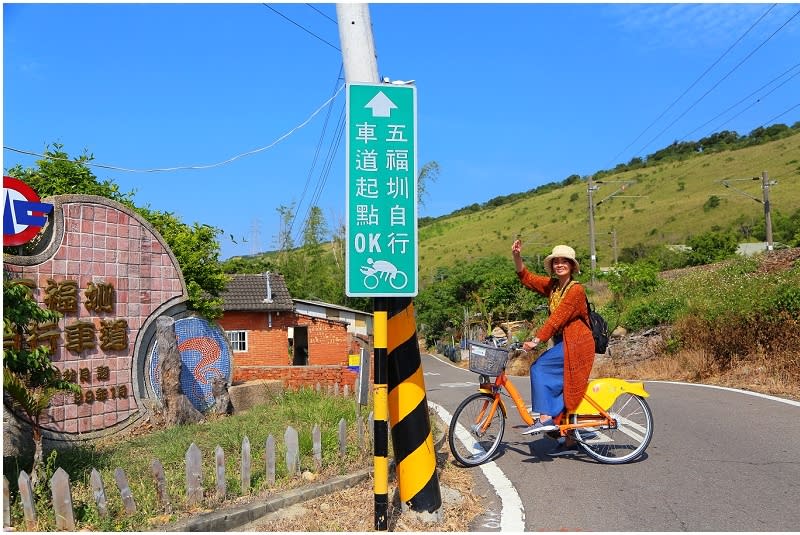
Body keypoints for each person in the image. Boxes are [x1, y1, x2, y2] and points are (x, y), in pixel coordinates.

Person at [511, 240, 595, 442]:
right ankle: (570, 439)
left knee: (539, 368)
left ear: (572, 265)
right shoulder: (554, 287)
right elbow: (527, 278)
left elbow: (556, 320)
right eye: (556, 261)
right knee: (562, 384)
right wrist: (516, 256)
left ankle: (546, 417)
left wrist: (537, 340)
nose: (559, 264)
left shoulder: (576, 290)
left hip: (578, 344)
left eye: (564, 261)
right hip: (563, 342)